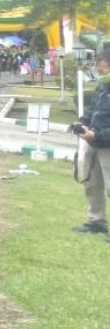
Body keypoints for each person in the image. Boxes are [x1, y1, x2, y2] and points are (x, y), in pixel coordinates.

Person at [74, 50, 110, 238]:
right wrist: (82, 124)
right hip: (93, 142)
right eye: (99, 69)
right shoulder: (102, 88)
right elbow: (92, 110)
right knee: (92, 184)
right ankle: (96, 222)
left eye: (104, 70)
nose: (100, 73)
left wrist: (98, 134)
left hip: (106, 146)